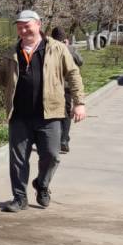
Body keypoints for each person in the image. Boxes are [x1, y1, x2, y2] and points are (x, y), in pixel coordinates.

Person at [0, 10, 86, 213]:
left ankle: (42, 185)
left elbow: (73, 74)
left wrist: (79, 102)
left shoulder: (57, 48)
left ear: (38, 24)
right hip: (19, 115)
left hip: (50, 114)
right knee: (18, 160)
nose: (23, 30)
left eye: (27, 25)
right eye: (20, 26)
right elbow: (1, 78)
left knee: (52, 156)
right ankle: (19, 197)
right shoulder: (12, 52)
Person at [50, 26, 84, 154]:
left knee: (56, 113)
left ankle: (59, 138)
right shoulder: (69, 49)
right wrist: (68, 47)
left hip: (53, 86)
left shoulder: (49, 48)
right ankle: (64, 139)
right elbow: (80, 62)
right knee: (66, 113)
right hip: (67, 86)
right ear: (65, 38)